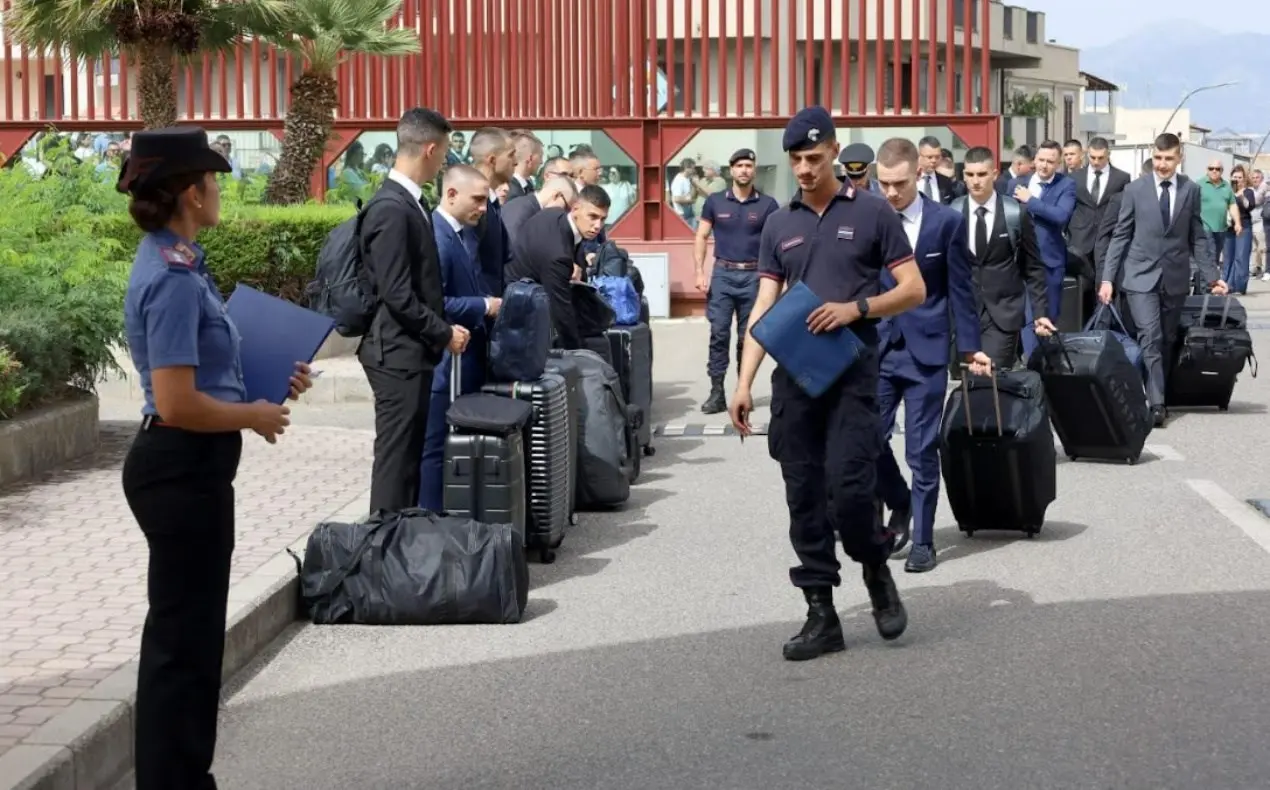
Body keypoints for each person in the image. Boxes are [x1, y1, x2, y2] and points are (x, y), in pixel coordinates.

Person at [117, 127, 311, 790]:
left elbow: (207, 377)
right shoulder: (171, 277)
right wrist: (254, 417)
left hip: (191, 468)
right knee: (182, 647)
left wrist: (266, 385)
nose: (219, 190)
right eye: (213, 179)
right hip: (178, 466)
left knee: (191, 641)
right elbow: (175, 402)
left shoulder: (182, 260)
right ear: (190, 193)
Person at [728, 106, 927, 662]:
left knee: (850, 490)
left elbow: (913, 288)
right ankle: (821, 613)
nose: (804, 168)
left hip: (853, 375)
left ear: (836, 151)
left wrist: (855, 308)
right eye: (795, 159)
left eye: (814, 157)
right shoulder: (778, 222)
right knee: (804, 497)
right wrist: (744, 381)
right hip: (795, 380)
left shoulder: (872, 212)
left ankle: (874, 568)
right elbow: (765, 304)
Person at [871, 137, 990, 574]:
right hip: (880, 349)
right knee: (867, 440)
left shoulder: (945, 223)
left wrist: (971, 348)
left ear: (917, 174)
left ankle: (923, 540)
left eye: (898, 183)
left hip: (927, 352)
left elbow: (960, 288)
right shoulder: (871, 217)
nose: (890, 192)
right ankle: (898, 505)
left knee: (921, 450)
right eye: (882, 183)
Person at [360, 108, 470, 513]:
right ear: (429, 148)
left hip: (409, 351)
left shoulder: (408, 202)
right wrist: (443, 331)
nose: (444, 162)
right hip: (395, 354)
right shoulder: (391, 207)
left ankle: (399, 547)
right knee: (395, 462)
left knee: (407, 462)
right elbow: (397, 294)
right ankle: (382, 553)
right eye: (444, 153)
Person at [1100, 132, 1228, 428]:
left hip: (1174, 278)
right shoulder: (1135, 189)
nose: (1162, 164)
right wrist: (1108, 278)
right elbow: (1120, 236)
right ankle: (1156, 404)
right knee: (1150, 335)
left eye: (1168, 159)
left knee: (1168, 339)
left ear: (1179, 157)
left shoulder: (1190, 190)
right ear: (1152, 155)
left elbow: (1197, 237)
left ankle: (1159, 392)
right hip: (1140, 276)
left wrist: (1212, 278)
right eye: (1158, 158)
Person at [418, 165, 501, 510]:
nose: (484, 208)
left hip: (464, 360)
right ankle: (429, 523)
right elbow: (436, 301)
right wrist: (484, 305)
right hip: (443, 364)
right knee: (434, 449)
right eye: (478, 200)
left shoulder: (463, 234)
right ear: (451, 194)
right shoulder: (436, 236)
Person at [692, 148, 780, 414]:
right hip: (723, 275)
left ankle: (743, 391)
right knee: (718, 334)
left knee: (748, 338)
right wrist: (699, 271)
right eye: (739, 165)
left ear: (754, 170)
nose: (744, 170)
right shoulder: (715, 202)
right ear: (731, 170)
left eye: (749, 166)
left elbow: (774, 244)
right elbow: (701, 236)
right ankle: (717, 392)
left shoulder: (768, 205)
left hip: (753, 277)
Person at [955, 146, 1054, 369]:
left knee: (994, 382)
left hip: (1003, 314)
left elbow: (1033, 267)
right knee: (968, 388)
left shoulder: (1015, 213)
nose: (975, 181)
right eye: (970, 175)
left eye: (981, 174)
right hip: (963, 317)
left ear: (994, 174)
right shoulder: (952, 213)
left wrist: (1040, 313)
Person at [506, 184, 611, 350]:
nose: (598, 226)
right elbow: (561, 312)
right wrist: (578, 353)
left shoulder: (553, 214)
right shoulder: (558, 255)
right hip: (522, 318)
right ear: (575, 209)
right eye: (592, 216)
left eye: (603, 219)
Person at [1007, 140, 1075, 357]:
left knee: (1047, 319)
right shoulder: (1016, 184)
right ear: (1034, 160)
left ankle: (1046, 368)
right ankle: (1030, 365)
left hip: (1049, 263)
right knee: (1025, 318)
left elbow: (1061, 216)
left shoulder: (1066, 185)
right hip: (1019, 262)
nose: (1045, 165)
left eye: (1051, 162)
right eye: (1041, 160)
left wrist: (1031, 201)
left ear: (1058, 163)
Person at [502, 176, 576, 245]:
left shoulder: (531, 207)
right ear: (556, 195)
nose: (565, 213)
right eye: (566, 207)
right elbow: (512, 248)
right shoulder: (522, 210)